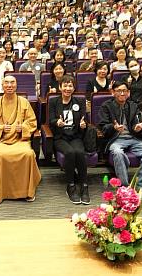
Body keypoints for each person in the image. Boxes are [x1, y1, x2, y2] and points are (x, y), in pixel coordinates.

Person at [0, 75, 41, 203]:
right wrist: (0, 128)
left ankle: (27, 191)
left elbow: (32, 122)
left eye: (12, 83)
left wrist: (22, 128)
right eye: (7, 83)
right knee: (2, 156)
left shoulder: (24, 102)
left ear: (16, 85)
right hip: (2, 141)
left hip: (20, 139)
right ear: (2, 85)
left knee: (28, 154)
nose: (9, 85)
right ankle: (2, 192)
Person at [98, 80, 142, 192]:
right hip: (115, 139)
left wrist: (138, 129)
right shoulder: (106, 106)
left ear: (128, 92)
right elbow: (102, 127)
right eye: (119, 91)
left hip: (133, 138)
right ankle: (125, 188)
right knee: (118, 153)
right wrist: (113, 127)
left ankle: (140, 187)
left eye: (124, 90)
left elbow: (138, 125)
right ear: (113, 92)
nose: (122, 93)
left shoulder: (133, 106)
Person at [48, 75, 90, 204]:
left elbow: (84, 121)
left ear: (74, 88)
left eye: (70, 85)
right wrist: (57, 122)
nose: (67, 88)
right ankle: (70, 185)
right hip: (60, 137)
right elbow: (51, 120)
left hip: (75, 135)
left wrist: (84, 125)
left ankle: (84, 185)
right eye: (65, 85)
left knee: (80, 152)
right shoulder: (54, 101)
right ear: (60, 87)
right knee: (70, 153)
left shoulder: (79, 101)